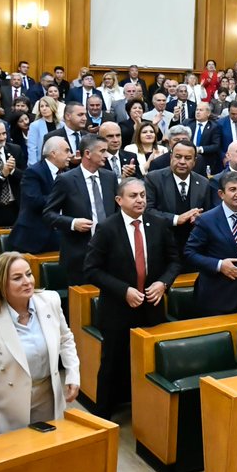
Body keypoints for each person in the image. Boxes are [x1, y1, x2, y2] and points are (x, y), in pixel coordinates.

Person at [84, 178, 180, 420]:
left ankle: (145, 413)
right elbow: (92, 269)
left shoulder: (157, 224)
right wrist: (123, 290)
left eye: (142, 195)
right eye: (133, 196)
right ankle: (103, 417)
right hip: (118, 307)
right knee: (112, 363)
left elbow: (175, 261)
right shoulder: (107, 228)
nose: (140, 200)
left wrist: (163, 283)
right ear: (119, 200)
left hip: (151, 305)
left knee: (148, 363)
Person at [0, 252, 80, 434]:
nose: (27, 281)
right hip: (6, 407)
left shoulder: (50, 301)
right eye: (17, 278)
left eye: (29, 274)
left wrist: (73, 373)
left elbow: (66, 339)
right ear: (1, 284)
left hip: (48, 397)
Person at [184, 173, 237, 316]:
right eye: (232, 189)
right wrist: (219, 265)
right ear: (221, 194)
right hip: (216, 298)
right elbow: (190, 253)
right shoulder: (207, 220)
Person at [43, 134, 118, 287]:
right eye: (102, 151)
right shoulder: (66, 180)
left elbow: (117, 211)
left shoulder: (110, 177)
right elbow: (48, 214)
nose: (106, 155)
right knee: (82, 304)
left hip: (110, 253)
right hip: (79, 255)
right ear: (88, 154)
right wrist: (73, 223)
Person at [9, 137, 71, 255]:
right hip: (33, 238)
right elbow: (35, 201)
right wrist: (63, 199)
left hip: (61, 235)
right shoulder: (33, 172)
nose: (70, 155)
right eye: (67, 151)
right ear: (53, 153)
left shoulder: (67, 172)